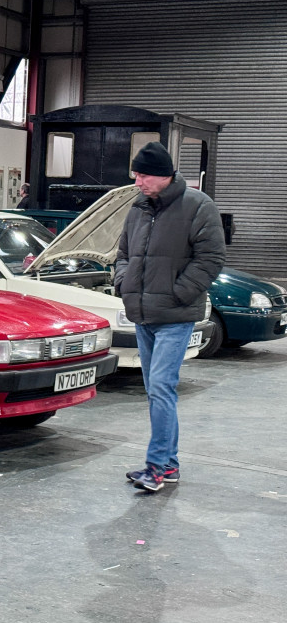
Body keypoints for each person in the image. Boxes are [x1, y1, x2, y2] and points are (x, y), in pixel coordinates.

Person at [114, 141, 225, 492]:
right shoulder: (139, 208)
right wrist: (123, 283)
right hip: (143, 315)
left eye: (143, 175)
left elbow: (210, 259)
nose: (137, 182)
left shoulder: (198, 206)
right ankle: (170, 464)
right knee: (156, 390)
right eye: (136, 174)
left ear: (164, 175)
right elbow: (122, 253)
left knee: (161, 388)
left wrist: (177, 293)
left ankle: (157, 467)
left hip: (175, 316)